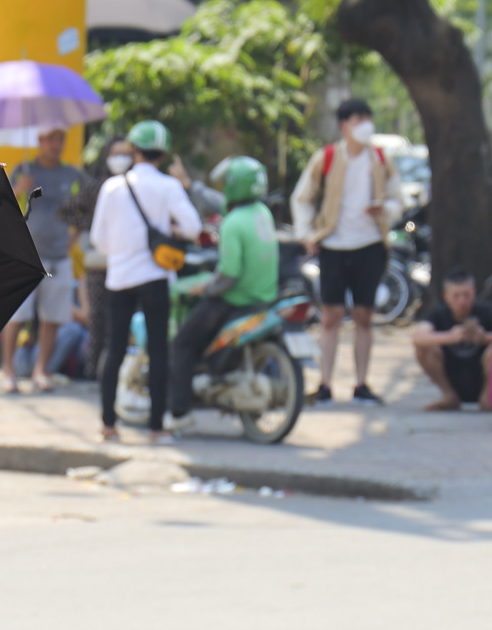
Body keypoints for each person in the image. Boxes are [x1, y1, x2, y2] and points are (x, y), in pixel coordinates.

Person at [88, 120, 200, 443]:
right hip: (155, 277)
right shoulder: (169, 187)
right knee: (159, 350)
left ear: (134, 151)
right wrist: (171, 232)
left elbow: (99, 239)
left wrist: (123, 250)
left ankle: (108, 425)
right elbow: (192, 228)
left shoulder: (112, 187)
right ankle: (155, 428)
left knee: (115, 349)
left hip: (120, 277)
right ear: (162, 155)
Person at [292, 97, 402, 405]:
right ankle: (325, 384)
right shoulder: (326, 158)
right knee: (331, 315)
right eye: (357, 120)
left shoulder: (380, 159)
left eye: (367, 118)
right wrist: (306, 234)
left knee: (365, 315)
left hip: (370, 245)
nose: (365, 125)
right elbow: (303, 197)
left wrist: (384, 210)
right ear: (344, 125)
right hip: (333, 245)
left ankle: (361, 384)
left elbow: (398, 198)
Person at [163, 156, 278, 429]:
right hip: (263, 298)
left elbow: (229, 274)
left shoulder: (233, 223)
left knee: (182, 344)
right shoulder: (263, 213)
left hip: (234, 300)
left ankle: (178, 413)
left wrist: (207, 288)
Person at [2, 126, 88, 392]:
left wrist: (75, 235)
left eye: (60, 139)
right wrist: (19, 188)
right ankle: (8, 369)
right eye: (51, 139)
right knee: (17, 315)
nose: (55, 144)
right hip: (26, 255)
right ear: (40, 141)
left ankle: (42, 369)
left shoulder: (72, 175)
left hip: (59, 257)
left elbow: (88, 204)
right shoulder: (23, 170)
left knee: (52, 317)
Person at [75, 136, 134, 381]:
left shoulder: (136, 186)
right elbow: (69, 211)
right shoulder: (97, 188)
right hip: (101, 262)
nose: (120, 159)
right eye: (115, 153)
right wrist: (86, 234)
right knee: (97, 319)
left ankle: (118, 375)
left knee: (121, 322)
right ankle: (93, 373)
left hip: (128, 263)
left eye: (125, 153)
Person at [412, 269, 492, 411]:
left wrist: (486, 338)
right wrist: (449, 337)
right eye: (456, 296)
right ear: (446, 296)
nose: (462, 301)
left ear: (474, 292)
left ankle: (488, 396)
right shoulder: (437, 313)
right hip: (451, 374)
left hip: (483, 377)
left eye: (466, 295)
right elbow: (417, 337)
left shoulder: (487, 311)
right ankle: (449, 395)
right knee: (424, 349)